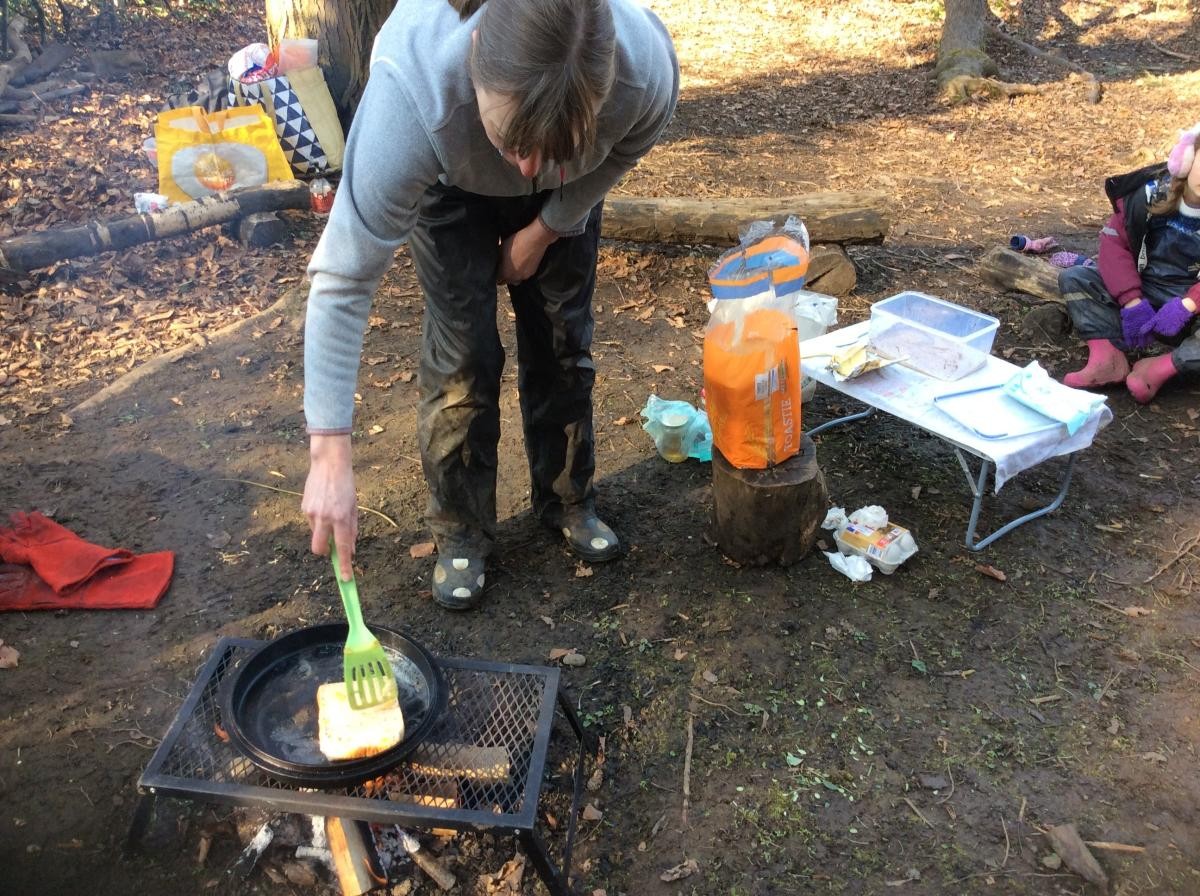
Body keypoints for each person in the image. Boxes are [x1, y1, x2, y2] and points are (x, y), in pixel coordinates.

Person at [300, 0, 679, 610]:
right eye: (513, 142)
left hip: (564, 196)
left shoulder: (643, 71)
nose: (527, 166)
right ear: (476, 59)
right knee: (463, 357)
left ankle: (567, 501)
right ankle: (462, 532)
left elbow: (621, 151)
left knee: (563, 341)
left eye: (550, 149)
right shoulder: (412, 95)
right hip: (447, 183)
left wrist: (546, 227)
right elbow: (343, 277)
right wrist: (328, 453)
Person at [1060, 125, 1200, 403]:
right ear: (1187, 157)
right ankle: (1107, 357)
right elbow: (1114, 244)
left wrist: (1188, 304)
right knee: (1075, 278)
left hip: (1190, 307)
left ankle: (1163, 367)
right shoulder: (1147, 195)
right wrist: (1131, 301)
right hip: (1144, 288)